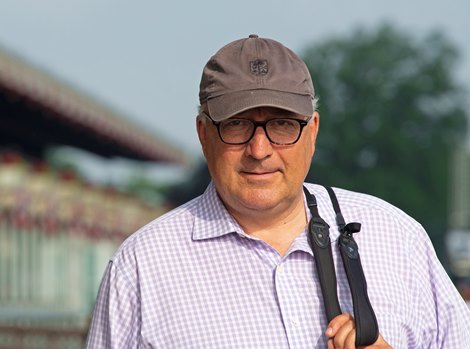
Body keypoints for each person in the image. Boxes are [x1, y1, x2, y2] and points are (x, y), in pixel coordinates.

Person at [85, 34, 470, 348]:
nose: (259, 149)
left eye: (283, 125)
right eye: (236, 125)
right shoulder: (140, 267)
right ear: (204, 134)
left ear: (313, 131)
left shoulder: (396, 239)